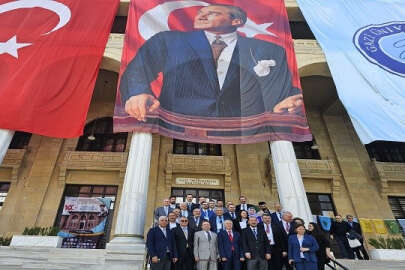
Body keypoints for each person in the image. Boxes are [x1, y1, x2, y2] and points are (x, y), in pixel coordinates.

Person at [121, 4, 303, 121]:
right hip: (178, 125)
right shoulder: (168, 40)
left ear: (236, 21)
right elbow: (138, 69)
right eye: (200, 12)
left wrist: (291, 98)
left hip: (242, 129)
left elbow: (280, 87)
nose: (201, 16)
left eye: (212, 13)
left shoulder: (269, 50)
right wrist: (137, 93)